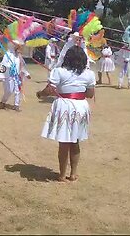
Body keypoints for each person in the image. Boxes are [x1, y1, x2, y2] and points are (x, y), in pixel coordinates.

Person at [37, 46, 96, 182]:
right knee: (75, 141)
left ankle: (62, 175)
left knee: (64, 141)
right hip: (81, 106)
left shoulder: (59, 71)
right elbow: (90, 94)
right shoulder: (89, 74)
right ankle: (73, 173)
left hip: (65, 106)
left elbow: (49, 90)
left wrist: (40, 94)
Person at [0, 42, 31, 112]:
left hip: (17, 76)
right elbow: (3, 66)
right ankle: (3, 101)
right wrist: (2, 76)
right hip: (9, 76)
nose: (19, 48)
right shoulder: (7, 55)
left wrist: (26, 73)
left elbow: (21, 66)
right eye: (17, 46)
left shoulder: (19, 56)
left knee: (17, 90)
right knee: (9, 91)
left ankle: (16, 105)